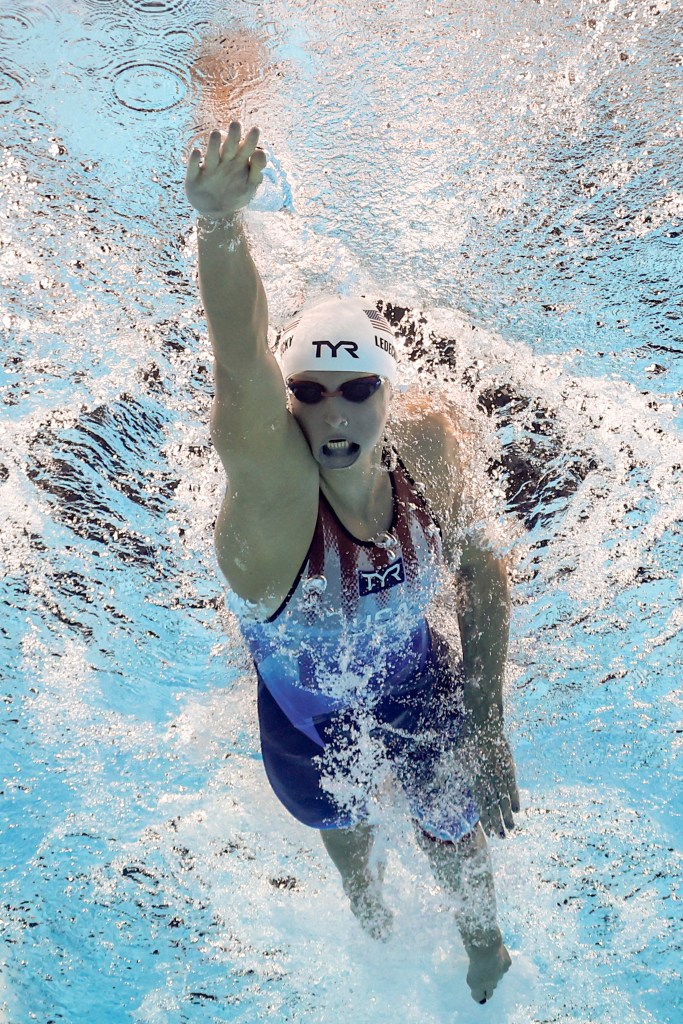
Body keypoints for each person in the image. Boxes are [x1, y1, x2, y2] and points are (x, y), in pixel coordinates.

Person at [184, 122, 520, 1005]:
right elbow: (241, 366)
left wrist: (486, 720)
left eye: (358, 389)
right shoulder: (273, 506)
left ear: (387, 395)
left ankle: (482, 944)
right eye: (310, 392)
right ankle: (365, 900)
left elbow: (485, 572)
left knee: (456, 819)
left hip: (416, 680)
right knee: (351, 842)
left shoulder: (430, 447)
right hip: (306, 725)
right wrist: (220, 225)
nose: (334, 413)